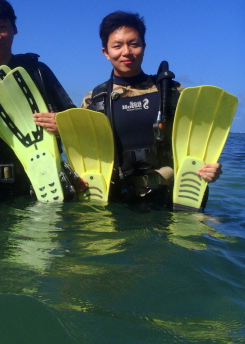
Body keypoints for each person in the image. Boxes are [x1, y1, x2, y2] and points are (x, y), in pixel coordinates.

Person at [80, 11, 222, 206]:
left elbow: (201, 142)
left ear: (144, 47)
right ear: (106, 52)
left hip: (173, 198)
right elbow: (85, 154)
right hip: (119, 201)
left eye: (134, 44)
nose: (126, 52)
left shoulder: (172, 92)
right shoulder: (94, 100)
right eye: (117, 46)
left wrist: (210, 169)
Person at [0, 0, 75, 198]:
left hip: (46, 184)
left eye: (2, 27)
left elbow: (75, 123)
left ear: (14, 29)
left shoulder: (38, 72)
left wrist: (63, 123)